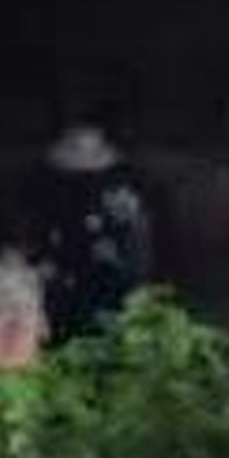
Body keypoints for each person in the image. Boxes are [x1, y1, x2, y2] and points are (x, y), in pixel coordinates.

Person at [37, 122, 154, 345]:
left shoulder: (121, 199)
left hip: (110, 284)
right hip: (79, 285)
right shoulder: (64, 197)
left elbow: (137, 252)